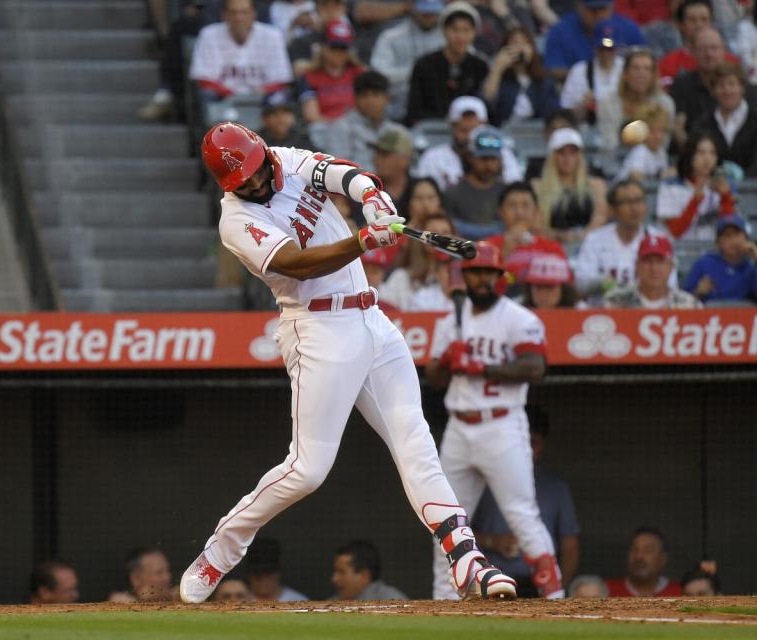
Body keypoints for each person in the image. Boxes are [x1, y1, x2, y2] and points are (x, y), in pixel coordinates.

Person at [179, 122, 518, 604]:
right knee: (308, 469)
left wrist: (373, 196)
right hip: (318, 330)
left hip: (371, 318)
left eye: (257, 173)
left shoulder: (283, 158)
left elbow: (340, 172)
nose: (255, 185)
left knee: (414, 438)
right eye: (243, 183)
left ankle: (465, 557)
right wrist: (363, 240)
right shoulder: (234, 220)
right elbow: (296, 264)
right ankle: (221, 549)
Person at [425, 242, 564, 601]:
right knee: (447, 523)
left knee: (521, 514)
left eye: (488, 273)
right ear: (465, 276)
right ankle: (445, 600)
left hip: (501, 425)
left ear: (501, 278)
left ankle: (554, 596)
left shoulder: (518, 318)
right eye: (475, 273)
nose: (481, 280)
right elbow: (434, 378)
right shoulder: (449, 321)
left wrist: (480, 367)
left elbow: (536, 367)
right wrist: (445, 361)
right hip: (459, 427)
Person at [471, 406, 580, 596]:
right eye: (522, 443)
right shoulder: (484, 483)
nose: (527, 450)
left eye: (534, 443)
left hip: (539, 584)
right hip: (491, 580)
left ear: (542, 445)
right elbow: (457, 532)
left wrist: (559, 588)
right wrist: (492, 541)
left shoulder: (555, 487)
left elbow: (569, 545)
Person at [575, 179, 676, 301]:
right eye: (627, 202)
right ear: (613, 209)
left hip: (645, 312)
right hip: (603, 312)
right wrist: (601, 282)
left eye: (639, 201)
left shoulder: (659, 239)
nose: (635, 208)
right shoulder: (595, 239)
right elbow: (580, 283)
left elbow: (671, 284)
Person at [189, 0, 293, 112]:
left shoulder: (272, 35)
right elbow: (203, 79)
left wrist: (263, 91)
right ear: (224, 15)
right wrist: (230, 93)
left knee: (281, 97)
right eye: (233, 12)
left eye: (244, 12)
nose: (239, 18)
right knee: (206, 94)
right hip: (223, 98)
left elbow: (282, 79)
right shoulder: (208, 34)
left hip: (264, 98)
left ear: (253, 14)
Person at [688, 62, 757, 178]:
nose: (727, 91)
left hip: (756, 191)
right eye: (721, 85)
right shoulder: (702, 124)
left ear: (742, 88)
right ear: (713, 91)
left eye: (732, 84)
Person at [414, 96, 523, 191]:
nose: (470, 137)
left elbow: (514, 190)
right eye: (464, 130)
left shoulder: (502, 154)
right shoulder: (433, 157)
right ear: (452, 127)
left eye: (475, 130)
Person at [405, 2, 488, 125]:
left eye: (466, 30)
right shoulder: (424, 65)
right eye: (455, 29)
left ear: (474, 32)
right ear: (444, 30)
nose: (460, 36)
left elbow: (484, 106)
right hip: (431, 129)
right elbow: (414, 109)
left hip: (468, 130)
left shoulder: (480, 65)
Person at [532, 128, 608, 247]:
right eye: (561, 152)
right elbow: (536, 224)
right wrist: (559, 236)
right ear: (553, 156)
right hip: (550, 245)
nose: (567, 158)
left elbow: (600, 217)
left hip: (587, 245)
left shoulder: (596, 185)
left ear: (579, 156)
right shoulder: (537, 187)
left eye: (573, 153)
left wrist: (580, 236)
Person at [370, 0, 445, 120]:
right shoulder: (391, 37)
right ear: (412, 7)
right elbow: (379, 74)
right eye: (424, 11)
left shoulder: (449, 37)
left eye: (432, 12)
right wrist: (416, 71)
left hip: (439, 107)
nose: (428, 16)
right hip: (397, 108)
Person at [670, 26, 746, 146]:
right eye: (703, 49)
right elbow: (678, 128)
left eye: (714, 48)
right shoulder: (681, 85)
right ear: (692, 52)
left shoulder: (742, 84)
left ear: (724, 50)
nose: (709, 54)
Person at [655, 133, 736, 241]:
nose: (707, 158)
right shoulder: (670, 186)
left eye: (712, 153)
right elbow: (675, 231)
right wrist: (695, 200)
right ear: (690, 155)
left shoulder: (723, 187)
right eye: (701, 152)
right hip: (679, 250)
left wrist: (726, 198)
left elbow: (729, 232)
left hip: (711, 252)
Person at [319, 71, 407, 169]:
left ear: (386, 98)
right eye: (364, 95)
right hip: (355, 182)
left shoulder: (397, 131)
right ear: (355, 99)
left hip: (390, 183)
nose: (370, 101)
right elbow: (336, 169)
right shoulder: (340, 127)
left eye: (375, 94)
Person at [485, 182, 568, 284]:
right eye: (512, 205)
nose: (519, 212)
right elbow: (482, 284)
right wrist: (505, 250)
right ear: (501, 212)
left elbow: (565, 286)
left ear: (535, 211)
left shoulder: (553, 248)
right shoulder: (488, 247)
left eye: (525, 205)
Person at [543, 0, 645, 82]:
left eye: (602, 8)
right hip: (578, 90)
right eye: (592, 10)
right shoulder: (560, 31)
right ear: (579, 5)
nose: (598, 14)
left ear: (611, 6)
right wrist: (594, 73)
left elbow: (645, 62)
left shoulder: (628, 28)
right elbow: (554, 70)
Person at [683, 215, 757, 305]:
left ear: (746, 238)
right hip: (710, 318)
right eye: (727, 236)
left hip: (742, 318)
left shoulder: (751, 267)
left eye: (737, 234)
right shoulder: (704, 264)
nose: (733, 240)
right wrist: (698, 292)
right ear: (718, 243)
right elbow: (684, 302)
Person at [379, 214, 459, 311]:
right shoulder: (401, 277)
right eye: (434, 232)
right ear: (421, 239)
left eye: (446, 233)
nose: (440, 238)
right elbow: (385, 313)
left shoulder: (462, 277)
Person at [482, 28, 560, 127]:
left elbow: (553, 111)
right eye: (515, 43)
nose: (519, 48)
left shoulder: (543, 81)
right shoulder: (499, 79)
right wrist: (498, 68)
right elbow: (488, 103)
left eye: (524, 43)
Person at [297, 20, 367, 124]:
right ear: (323, 47)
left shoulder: (359, 73)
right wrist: (339, 126)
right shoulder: (309, 76)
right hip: (324, 129)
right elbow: (312, 116)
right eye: (334, 47)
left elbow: (367, 109)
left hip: (356, 126)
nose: (339, 53)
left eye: (343, 48)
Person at [444, 126, 508, 240]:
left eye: (493, 159)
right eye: (483, 158)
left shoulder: (507, 193)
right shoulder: (453, 193)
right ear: (471, 158)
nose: (488, 165)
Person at [658, 0, 740, 88]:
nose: (699, 24)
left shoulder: (731, 62)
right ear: (681, 25)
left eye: (704, 19)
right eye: (692, 20)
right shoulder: (668, 64)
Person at [605, 234, 702, 308]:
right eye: (647, 261)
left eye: (660, 262)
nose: (654, 268)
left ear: (671, 266)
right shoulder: (614, 302)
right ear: (636, 266)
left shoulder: (689, 305)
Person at [559, 20, 627, 124]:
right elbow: (565, 110)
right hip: (589, 126)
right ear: (595, 48)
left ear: (616, 48)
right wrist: (583, 106)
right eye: (602, 49)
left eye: (610, 49)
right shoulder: (579, 71)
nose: (605, 54)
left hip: (621, 123)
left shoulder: (626, 68)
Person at [606, 528, 683, 597]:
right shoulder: (606, 591)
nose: (639, 557)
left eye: (648, 550)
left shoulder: (679, 594)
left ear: (662, 559)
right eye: (635, 550)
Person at [330, 540, 408, 600]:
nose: (334, 579)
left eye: (341, 572)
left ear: (364, 575)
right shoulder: (333, 602)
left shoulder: (394, 601)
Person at [614, 102, 671, 181]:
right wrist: (659, 175)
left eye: (661, 131)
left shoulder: (661, 151)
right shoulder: (640, 151)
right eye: (651, 131)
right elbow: (635, 176)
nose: (658, 136)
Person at [243, 537, 308, 601]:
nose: (263, 578)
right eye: (257, 573)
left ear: (279, 572)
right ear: (249, 574)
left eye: (269, 572)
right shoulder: (239, 599)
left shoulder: (298, 601)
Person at [109, 547, 174, 602]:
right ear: (136, 578)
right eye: (159, 572)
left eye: (168, 571)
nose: (167, 577)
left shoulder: (177, 597)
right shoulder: (120, 604)